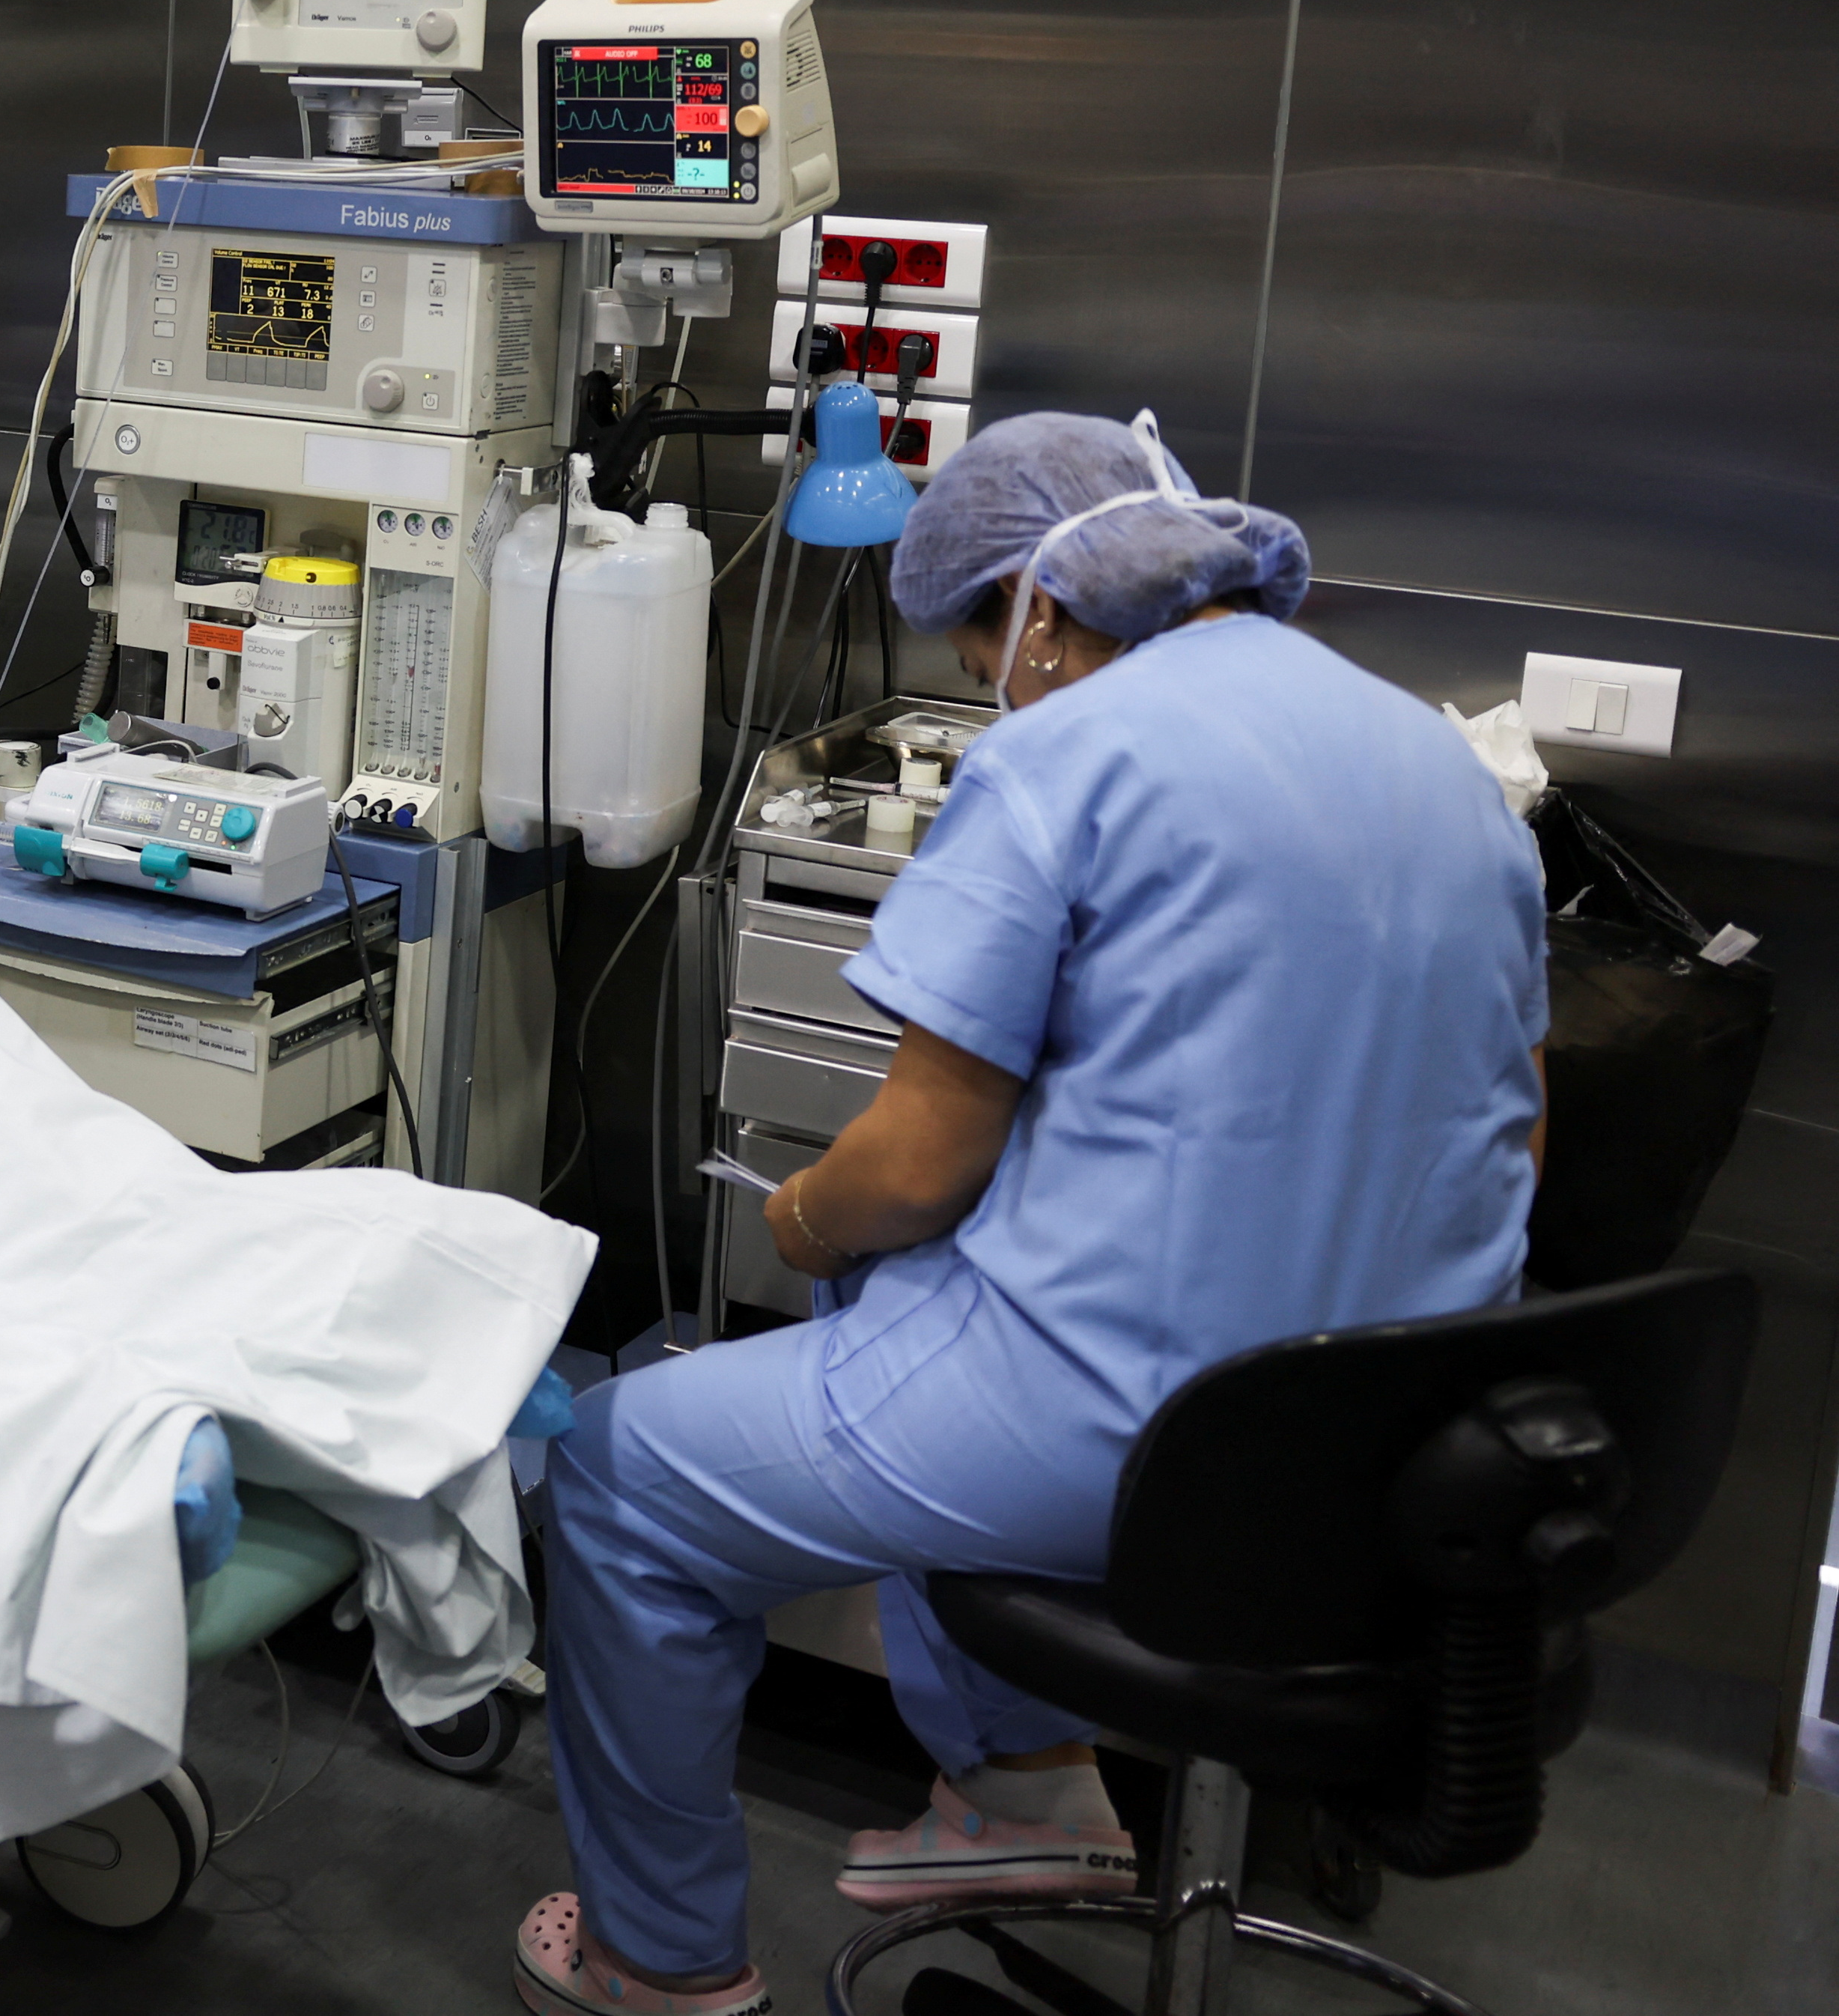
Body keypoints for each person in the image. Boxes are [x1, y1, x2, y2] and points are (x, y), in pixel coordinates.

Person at [513, 411, 1545, 2016]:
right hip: (1416, 1434)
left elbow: (915, 1162)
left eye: (978, 638)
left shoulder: (1063, 755)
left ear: (1045, 616)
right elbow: (1519, 1126)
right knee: (897, 1304)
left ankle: (658, 1961)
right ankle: (1021, 1800)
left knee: (619, 1472)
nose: (987, 677)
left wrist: (799, 1215)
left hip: (1143, 1432)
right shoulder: (1436, 757)